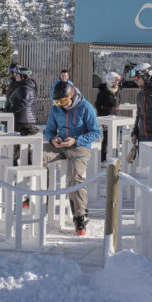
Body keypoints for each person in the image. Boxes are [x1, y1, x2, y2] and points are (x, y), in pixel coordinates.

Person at [43, 81, 100, 236]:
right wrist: (52, 140)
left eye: (63, 101)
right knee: (36, 156)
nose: (61, 105)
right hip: (60, 144)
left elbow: (96, 132)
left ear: (71, 95)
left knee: (75, 177)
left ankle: (79, 216)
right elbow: (49, 130)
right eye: (57, 102)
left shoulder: (85, 107)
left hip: (79, 146)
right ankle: (41, 197)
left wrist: (76, 140)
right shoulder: (56, 109)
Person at [94, 71, 121, 162]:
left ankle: (115, 157)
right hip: (106, 116)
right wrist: (101, 115)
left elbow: (118, 102)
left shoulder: (118, 91)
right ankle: (103, 157)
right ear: (109, 81)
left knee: (115, 137)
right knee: (107, 137)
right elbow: (98, 104)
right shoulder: (102, 92)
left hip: (116, 116)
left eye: (117, 82)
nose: (116, 83)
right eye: (114, 82)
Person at [5, 67, 39, 136]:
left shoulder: (23, 88)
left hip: (22, 121)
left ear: (22, 77)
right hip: (25, 120)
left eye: (17, 75)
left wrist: (9, 112)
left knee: (12, 140)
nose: (16, 77)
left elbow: (22, 104)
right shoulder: (27, 87)